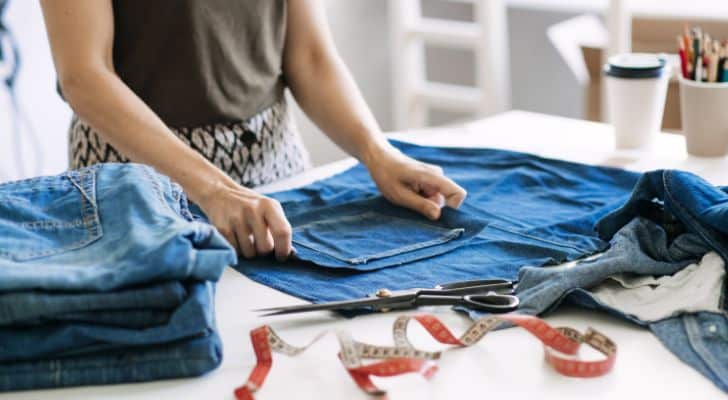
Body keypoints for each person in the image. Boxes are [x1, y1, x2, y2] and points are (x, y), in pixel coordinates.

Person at [40, 0, 467, 262]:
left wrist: (378, 154)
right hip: (137, 174)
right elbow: (85, 76)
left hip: (273, 166)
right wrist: (214, 189)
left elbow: (310, 57)